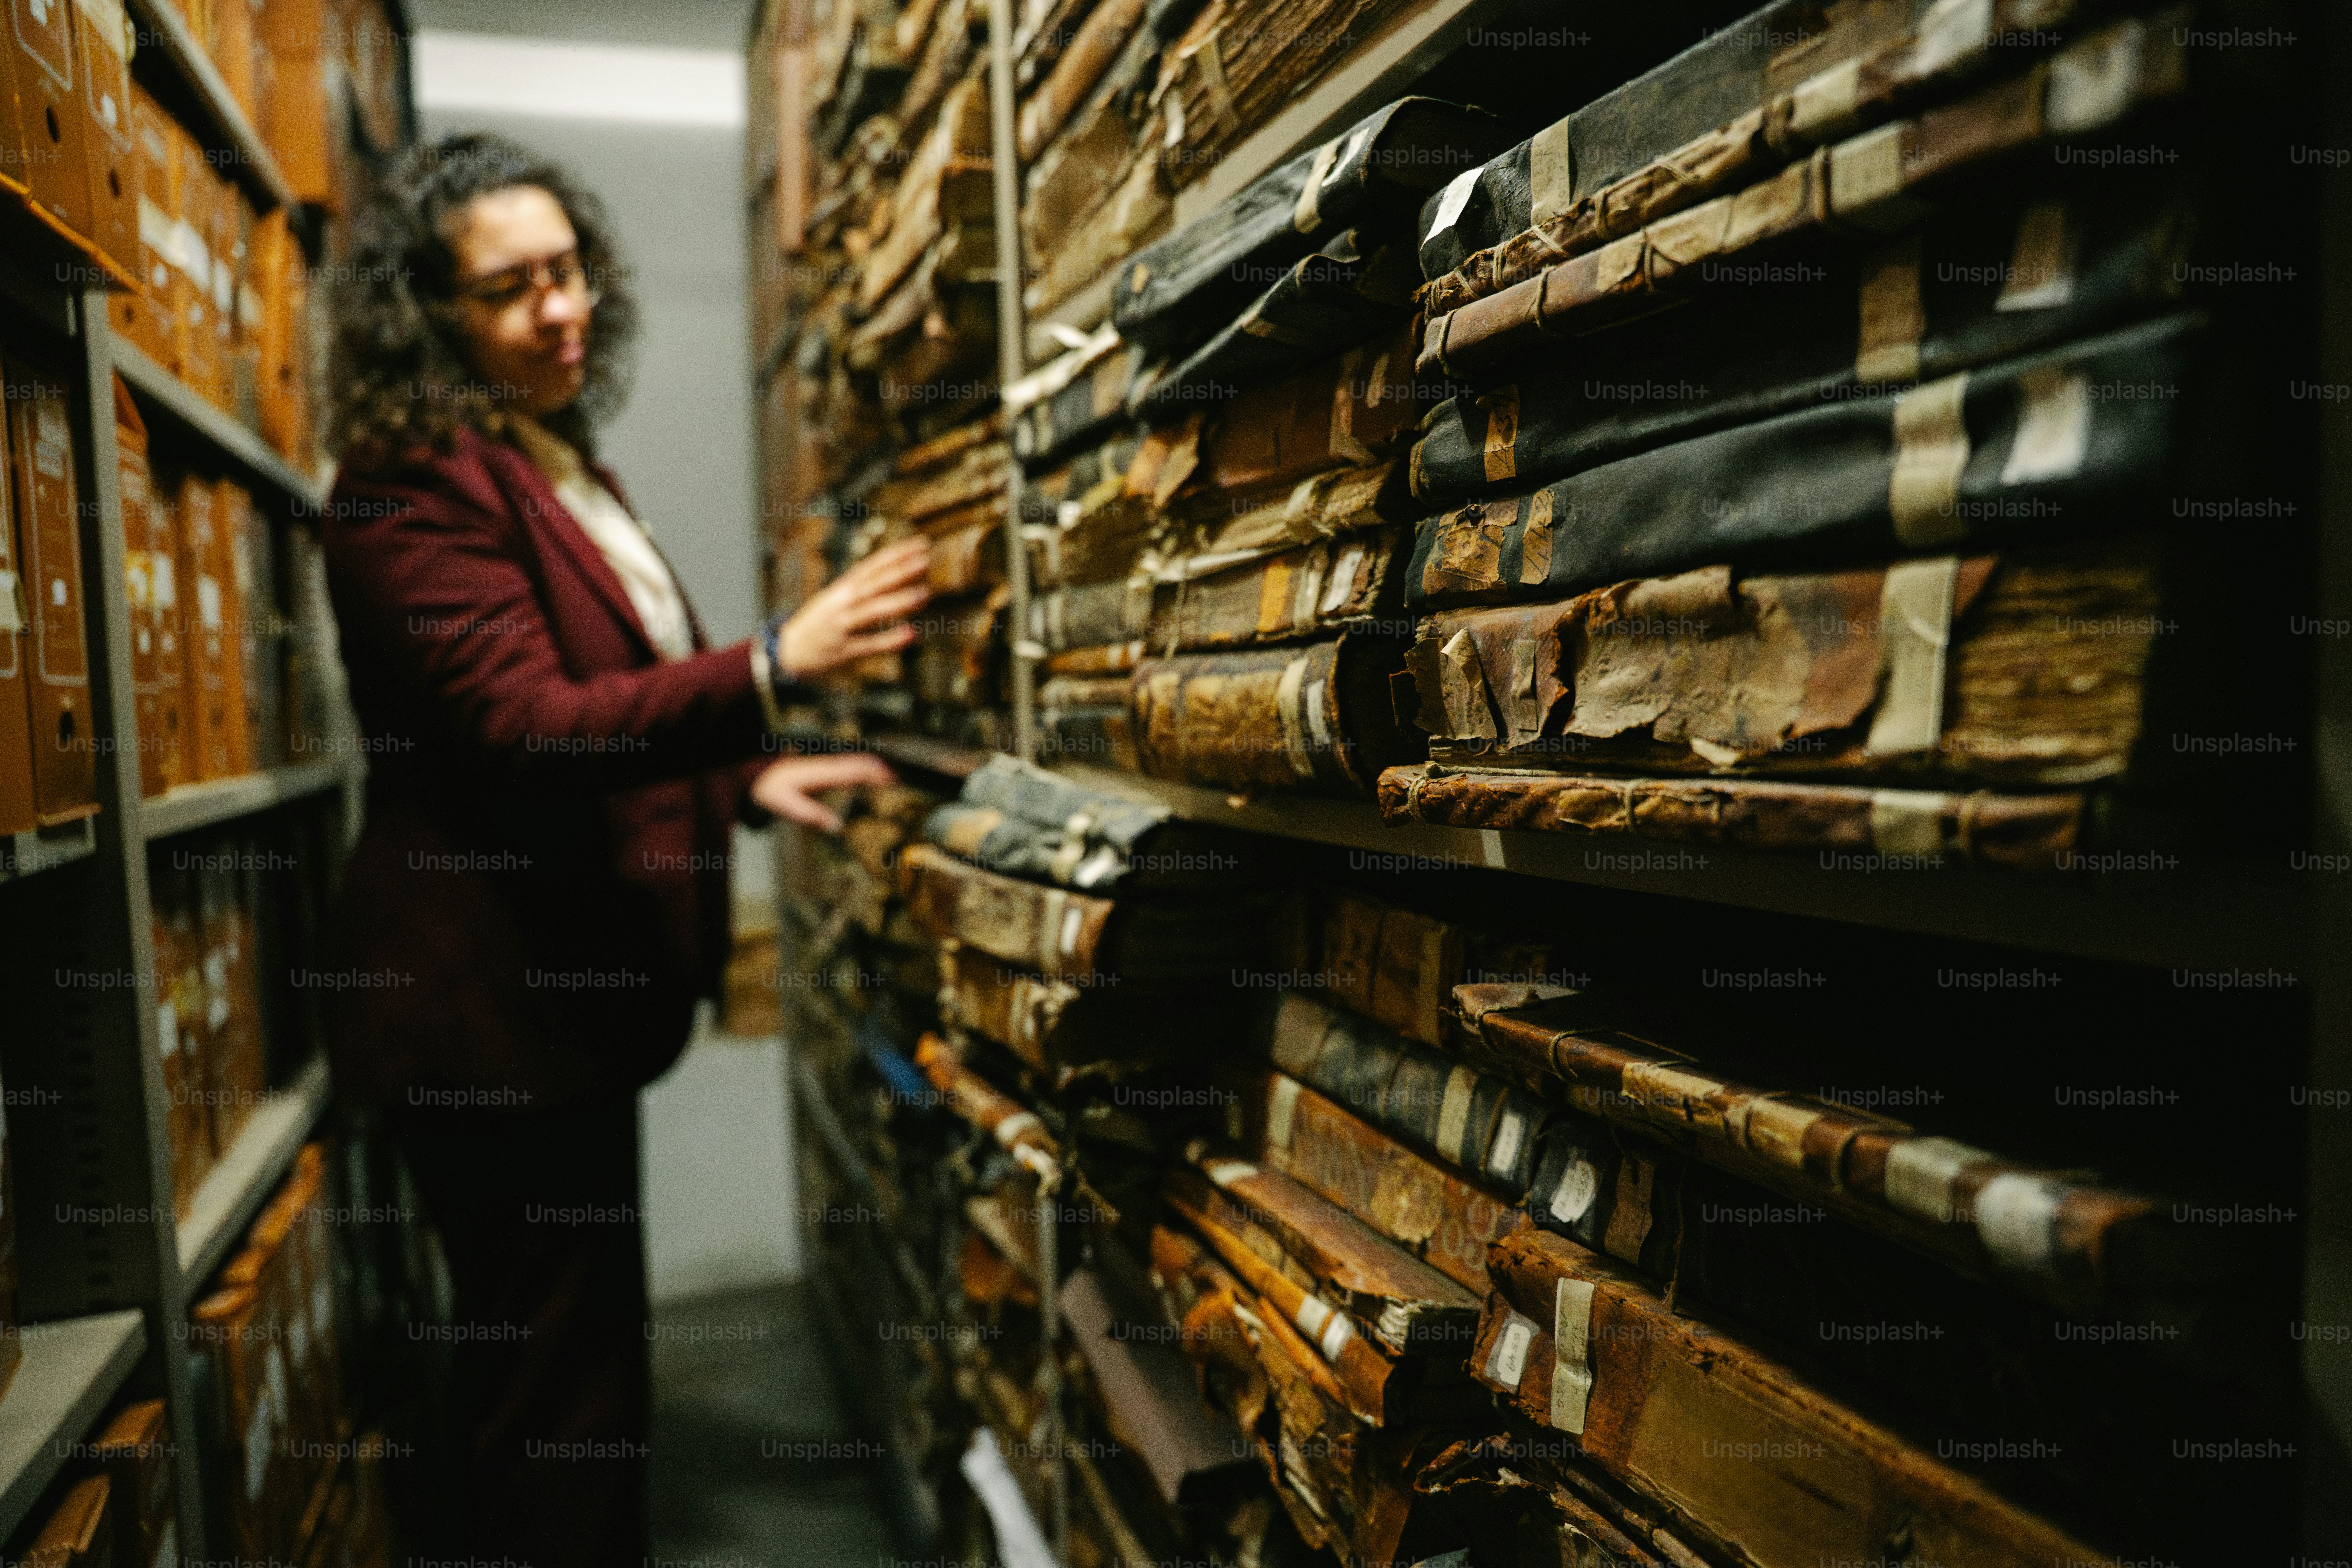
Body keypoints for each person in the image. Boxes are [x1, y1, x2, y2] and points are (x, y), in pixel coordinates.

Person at [317, 132, 924, 1561]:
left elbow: (615, 701)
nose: (564, 306)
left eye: (573, 269)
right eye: (516, 287)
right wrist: (776, 661)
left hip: (554, 1016)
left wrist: (745, 776)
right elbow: (529, 729)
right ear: (431, 314)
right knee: (553, 1388)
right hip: (488, 1024)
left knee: (577, 1356)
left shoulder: (547, 459)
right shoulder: (408, 483)